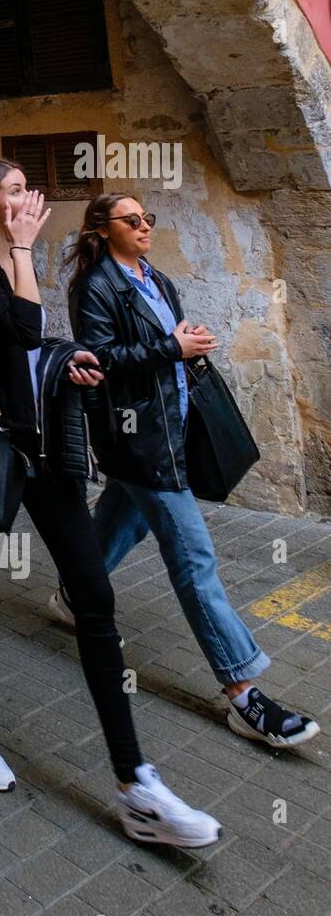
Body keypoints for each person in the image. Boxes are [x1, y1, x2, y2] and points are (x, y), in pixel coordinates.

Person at [0, 158, 220, 847]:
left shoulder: (9, 257)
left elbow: (32, 349)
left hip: (41, 449)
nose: (29, 198)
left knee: (94, 595)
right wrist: (25, 254)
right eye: (14, 191)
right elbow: (20, 328)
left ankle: (135, 784)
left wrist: (68, 361)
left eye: (28, 188)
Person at [65, 192, 319, 749]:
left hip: (170, 426)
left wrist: (188, 342)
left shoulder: (153, 276)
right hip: (140, 439)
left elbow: (165, 340)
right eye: (131, 220)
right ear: (103, 231)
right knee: (194, 558)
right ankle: (243, 692)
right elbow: (98, 359)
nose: (144, 226)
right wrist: (169, 347)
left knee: (123, 516)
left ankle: (75, 588)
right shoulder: (98, 285)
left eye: (146, 218)